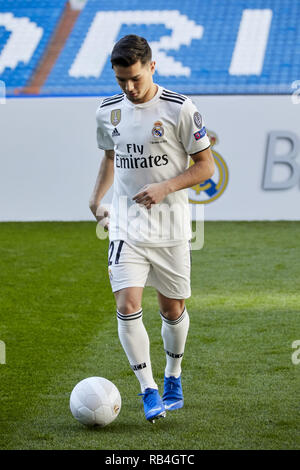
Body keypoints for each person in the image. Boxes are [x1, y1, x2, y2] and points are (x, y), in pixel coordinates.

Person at [89, 35, 214, 423]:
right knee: (127, 305)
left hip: (171, 227)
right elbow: (112, 156)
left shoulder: (180, 108)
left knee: (172, 308)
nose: (128, 88)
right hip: (126, 227)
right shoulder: (107, 111)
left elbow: (206, 166)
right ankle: (148, 390)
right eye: (121, 80)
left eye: (136, 79)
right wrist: (96, 199)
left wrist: (164, 187)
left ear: (152, 67)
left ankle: (173, 376)